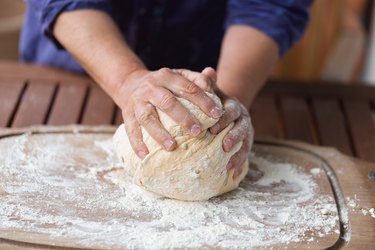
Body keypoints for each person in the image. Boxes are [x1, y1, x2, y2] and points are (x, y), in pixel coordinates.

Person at [21, 0, 313, 178]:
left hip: (212, 70)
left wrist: (225, 101)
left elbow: (269, 6)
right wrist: (126, 79)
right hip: (76, 69)